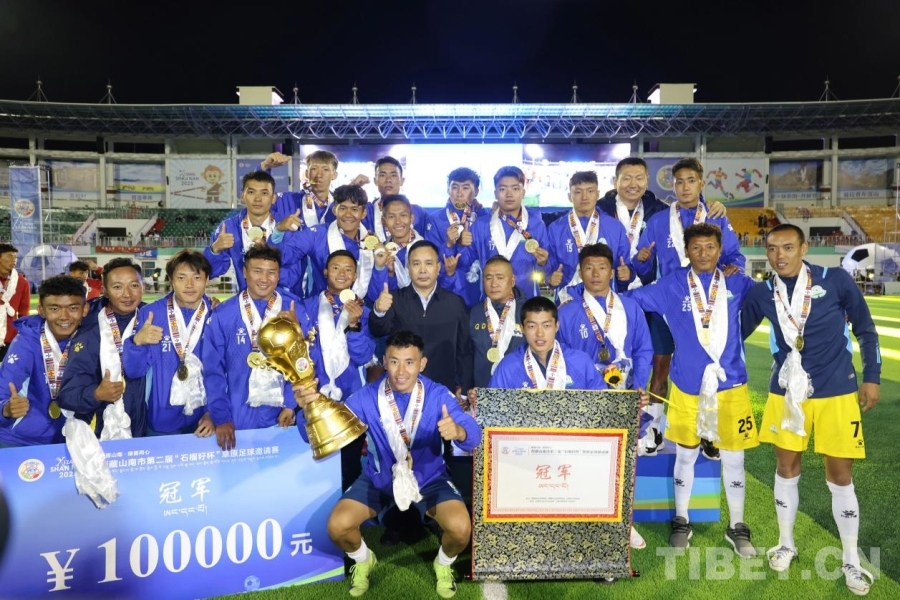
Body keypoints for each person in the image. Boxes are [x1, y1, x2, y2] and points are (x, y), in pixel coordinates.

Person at [741, 224, 880, 595]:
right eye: (772, 248)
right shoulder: (761, 293)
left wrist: (872, 377)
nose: (779, 256)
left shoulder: (835, 280)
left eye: (788, 247)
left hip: (837, 391)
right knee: (786, 468)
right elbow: (732, 336)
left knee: (840, 475)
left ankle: (850, 560)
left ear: (804, 248)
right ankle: (785, 544)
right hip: (786, 393)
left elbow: (866, 329)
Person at [292, 329, 481, 599]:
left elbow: (473, 435)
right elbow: (317, 434)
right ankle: (363, 559)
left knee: (461, 529)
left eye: (409, 362)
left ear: (422, 364)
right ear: (384, 361)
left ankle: (443, 564)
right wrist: (307, 410)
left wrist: (459, 432)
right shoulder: (366, 397)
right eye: (394, 361)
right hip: (379, 480)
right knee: (337, 525)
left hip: (429, 479)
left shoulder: (438, 395)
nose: (401, 371)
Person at [626, 223, 757, 558]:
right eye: (696, 247)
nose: (703, 253)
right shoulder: (672, 284)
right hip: (687, 387)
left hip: (731, 386)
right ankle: (681, 520)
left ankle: (737, 525)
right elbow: (630, 301)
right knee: (686, 454)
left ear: (720, 250)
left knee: (734, 458)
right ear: (686, 251)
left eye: (710, 247)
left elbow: (767, 305)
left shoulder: (737, 282)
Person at [633, 158, 743, 460]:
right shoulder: (659, 220)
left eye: (691, 181)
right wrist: (641, 259)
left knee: (707, 367)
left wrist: (734, 267)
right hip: (669, 304)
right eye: (679, 181)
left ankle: (709, 432)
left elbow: (735, 256)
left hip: (707, 307)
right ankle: (653, 430)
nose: (685, 187)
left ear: (701, 183)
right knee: (659, 369)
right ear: (672, 185)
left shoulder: (717, 216)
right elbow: (640, 263)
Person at [556, 243, 652, 551]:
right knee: (584, 462)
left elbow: (644, 349)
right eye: (588, 267)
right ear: (580, 271)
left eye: (601, 267)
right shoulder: (567, 312)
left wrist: (639, 385)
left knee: (623, 461)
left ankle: (624, 521)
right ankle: (583, 520)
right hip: (584, 398)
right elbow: (561, 356)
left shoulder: (630, 308)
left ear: (612, 272)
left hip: (624, 394)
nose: (595, 273)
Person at [201, 246, 305, 451]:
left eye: (271, 272)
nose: (264, 279)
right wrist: (221, 417)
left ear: (279, 274)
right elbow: (213, 371)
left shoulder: (294, 309)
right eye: (257, 271)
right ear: (244, 272)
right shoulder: (223, 314)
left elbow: (304, 361)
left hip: (280, 418)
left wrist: (290, 404)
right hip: (235, 420)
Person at [122, 250, 216, 436]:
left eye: (197, 277)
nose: (189, 285)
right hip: (161, 420)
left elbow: (227, 371)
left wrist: (214, 413)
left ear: (207, 280)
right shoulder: (151, 314)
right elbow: (134, 371)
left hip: (205, 417)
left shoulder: (216, 314)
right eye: (181, 277)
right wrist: (137, 342)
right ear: (171, 280)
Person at [303, 250, 376, 487]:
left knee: (350, 463)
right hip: (316, 394)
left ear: (355, 275)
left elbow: (364, 356)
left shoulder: (363, 312)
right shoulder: (307, 307)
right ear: (325, 272)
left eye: (348, 269)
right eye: (336, 267)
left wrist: (354, 326)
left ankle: (351, 504)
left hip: (351, 396)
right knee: (316, 464)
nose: (342, 273)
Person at [58, 258, 147, 438]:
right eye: (117, 287)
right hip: (99, 431)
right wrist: (96, 395)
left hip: (146, 428)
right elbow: (66, 395)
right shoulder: (88, 327)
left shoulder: (155, 319)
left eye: (134, 285)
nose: (127, 294)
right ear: (104, 290)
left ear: (143, 287)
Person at [369, 240, 473, 397]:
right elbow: (378, 331)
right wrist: (378, 311)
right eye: (416, 264)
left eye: (429, 263)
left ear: (438, 267)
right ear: (408, 267)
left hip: (443, 390)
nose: (423, 270)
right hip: (402, 388)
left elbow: (464, 351)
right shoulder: (394, 300)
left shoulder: (455, 303)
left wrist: (464, 389)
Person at [0, 276, 88, 447]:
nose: (64, 316)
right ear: (41, 309)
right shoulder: (25, 344)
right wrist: (6, 409)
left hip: (69, 439)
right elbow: (3, 393)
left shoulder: (89, 339)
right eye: (54, 308)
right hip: (20, 441)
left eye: (73, 308)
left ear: (85, 309)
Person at [276, 184, 389, 302]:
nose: (348, 214)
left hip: (358, 308)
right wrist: (278, 231)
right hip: (320, 308)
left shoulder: (371, 243)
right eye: (343, 208)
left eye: (354, 209)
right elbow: (282, 256)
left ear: (364, 213)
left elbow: (375, 295)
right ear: (335, 210)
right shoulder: (317, 235)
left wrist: (379, 267)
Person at [457, 166, 550, 300]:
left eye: (515, 189)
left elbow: (547, 272)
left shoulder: (536, 225)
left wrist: (543, 263)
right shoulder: (480, 225)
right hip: (490, 302)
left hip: (525, 302)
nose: (509, 194)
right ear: (495, 194)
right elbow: (465, 262)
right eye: (503, 189)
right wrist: (458, 244)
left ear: (523, 193)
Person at [546, 171, 634, 301]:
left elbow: (626, 267)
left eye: (590, 191)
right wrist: (550, 279)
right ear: (570, 196)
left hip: (605, 301)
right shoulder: (555, 229)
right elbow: (548, 269)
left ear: (598, 194)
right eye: (578, 192)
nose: (584, 197)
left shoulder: (615, 227)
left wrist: (628, 274)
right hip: (567, 300)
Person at [205, 171, 296, 293]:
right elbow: (208, 273)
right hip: (247, 301)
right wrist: (215, 250)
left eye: (264, 193)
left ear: (273, 198)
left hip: (282, 300)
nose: (258, 199)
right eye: (251, 192)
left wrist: (267, 255)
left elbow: (294, 274)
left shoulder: (285, 227)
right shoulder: (229, 228)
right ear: (242, 196)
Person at [489, 296, 605, 390]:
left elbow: (602, 404)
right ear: (522, 329)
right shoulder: (508, 368)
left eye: (546, 325)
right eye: (532, 326)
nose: (540, 333)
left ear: (557, 326)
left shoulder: (581, 363)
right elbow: (493, 408)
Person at [426, 167, 492, 306]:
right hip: (448, 289)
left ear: (476, 191)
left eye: (466, 188)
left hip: (481, 292)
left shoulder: (485, 217)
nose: (459, 193)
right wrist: (449, 245)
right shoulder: (435, 219)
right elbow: (430, 259)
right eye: (455, 187)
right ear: (448, 189)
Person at [468, 256, 526, 391]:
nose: (493, 284)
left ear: (512, 281)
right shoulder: (474, 312)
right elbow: (467, 356)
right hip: (483, 391)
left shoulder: (527, 311)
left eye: (500, 277)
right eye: (488, 278)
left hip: (521, 391)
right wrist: (468, 388)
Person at [348, 156, 433, 241]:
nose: (388, 180)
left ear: (402, 181)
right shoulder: (366, 211)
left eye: (393, 175)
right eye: (382, 175)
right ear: (375, 181)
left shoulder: (418, 212)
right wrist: (351, 187)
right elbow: (341, 217)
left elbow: (430, 241)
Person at [0, 244, 30, 361]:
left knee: (9, 370)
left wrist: (24, 335)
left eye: (15, 257)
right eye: (9, 256)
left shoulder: (22, 282)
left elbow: (24, 312)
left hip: (11, 335)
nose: (14, 260)